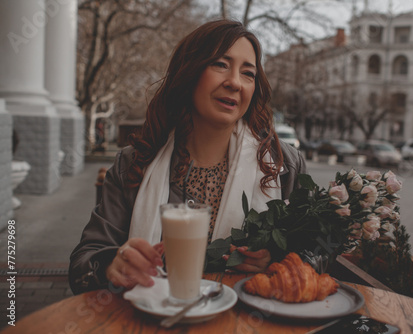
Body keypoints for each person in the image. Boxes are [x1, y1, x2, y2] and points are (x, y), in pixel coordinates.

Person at [69, 19, 306, 295]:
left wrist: (276, 259)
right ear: (189, 71)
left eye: (248, 74)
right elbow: (81, 266)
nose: (234, 82)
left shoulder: (281, 166)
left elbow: (316, 255)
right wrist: (112, 265)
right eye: (220, 64)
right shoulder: (135, 163)